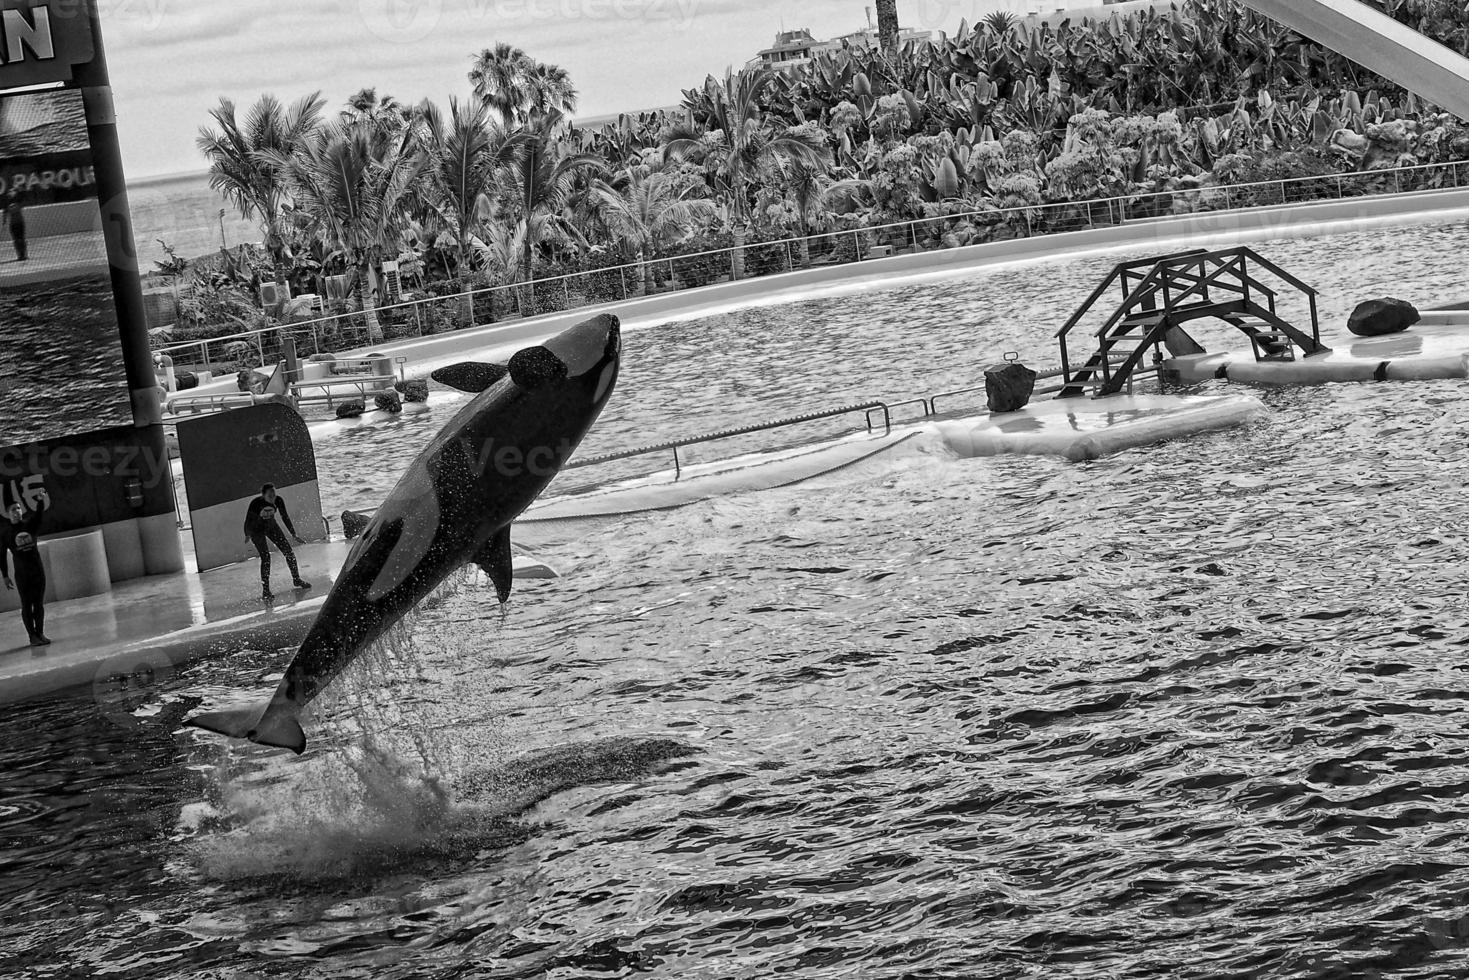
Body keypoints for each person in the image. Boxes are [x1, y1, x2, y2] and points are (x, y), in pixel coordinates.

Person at [243, 484, 311, 601]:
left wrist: (293, 534)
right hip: (256, 530)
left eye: (274, 494)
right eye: (270, 495)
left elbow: (285, 516)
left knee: (288, 552)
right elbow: (248, 520)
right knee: (266, 557)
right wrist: (247, 534)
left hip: (271, 526)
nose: (273, 497)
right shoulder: (256, 503)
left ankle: (296, 579)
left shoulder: (278, 500)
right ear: (263, 495)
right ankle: (266, 590)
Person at [2, 497, 49, 645]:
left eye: (18, 508)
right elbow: (1, 555)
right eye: (13, 510)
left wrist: (41, 501)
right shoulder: (6, 533)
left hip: (37, 571)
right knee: (27, 604)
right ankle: (32, 636)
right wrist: (5, 575)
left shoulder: (30, 526)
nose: (16, 512)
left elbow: (39, 514)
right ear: (8, 514)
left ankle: (40, 632)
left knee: (39, 603)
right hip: (22, 574)